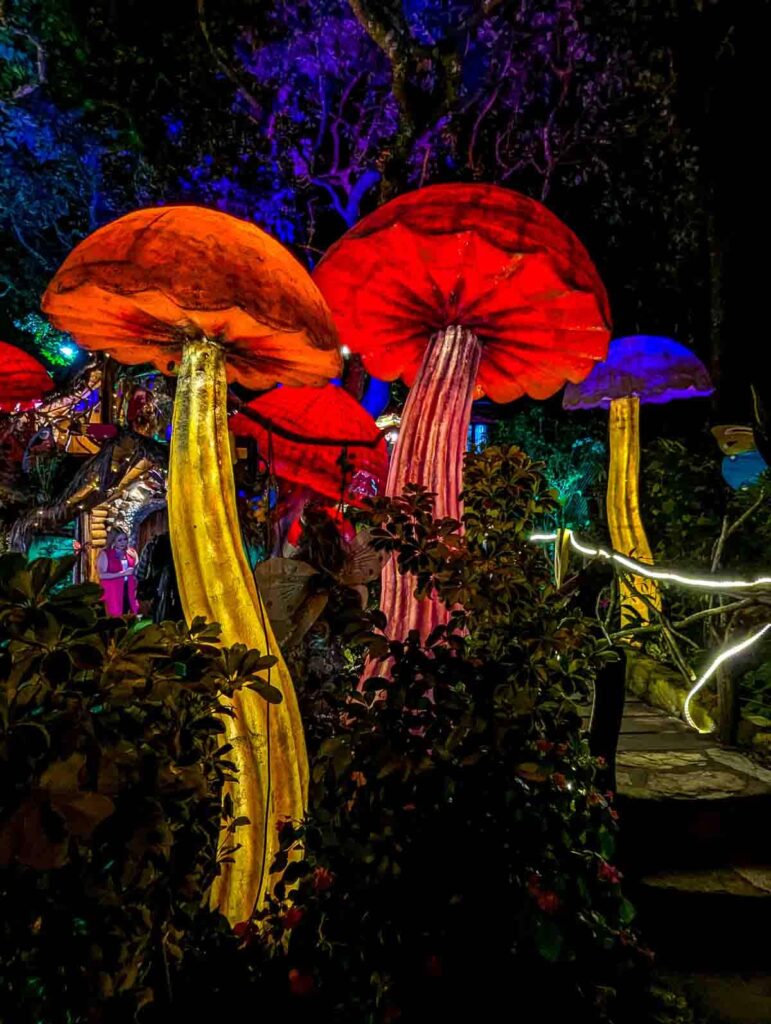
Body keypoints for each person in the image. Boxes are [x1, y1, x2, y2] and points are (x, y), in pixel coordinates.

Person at [97, 528, 140, 616]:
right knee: (115, 614)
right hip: (113, 590)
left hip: (129, 588)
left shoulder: (131, 552)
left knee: (130, 612)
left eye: (125, 539)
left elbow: (137, 569)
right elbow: (102, 575)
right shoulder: (105, 554)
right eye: (119, 540)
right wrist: (123, 573)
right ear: (113, 541)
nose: (123, 542)